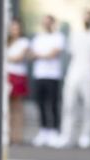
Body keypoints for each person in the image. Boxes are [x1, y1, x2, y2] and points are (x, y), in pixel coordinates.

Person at [55, 9, 90, 149]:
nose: (87, 19)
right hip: (73, 73)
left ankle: (87, 135)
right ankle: (67, 135)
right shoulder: (75, 34)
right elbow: (71, 53)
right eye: (85, 16)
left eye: (89, 16)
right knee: (69, 105)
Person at [30, 14, 66, 147]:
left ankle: (55, 131)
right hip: (39, 75)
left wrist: (40, 54)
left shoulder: (59, 37)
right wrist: (44, 54)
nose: (46, 25)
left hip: (53, 76)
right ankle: (43, 130)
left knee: (53, 104)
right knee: (40, 104)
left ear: (53, 23)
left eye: (48, 22)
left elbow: (54, 53)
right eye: (44, 22)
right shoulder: (38, 37)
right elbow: (31, 54)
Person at [6, 19, 31, 145]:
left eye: (16, 28)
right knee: (7, 107)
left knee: (17, 107)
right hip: (7, 75)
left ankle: (18, 136)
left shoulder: (24, 42)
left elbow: (18, 57)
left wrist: (6, 57)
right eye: (12, 28)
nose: (14, 30)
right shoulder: (7, 42)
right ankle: (8, 135)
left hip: (18, 75)